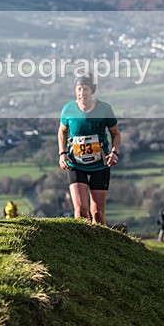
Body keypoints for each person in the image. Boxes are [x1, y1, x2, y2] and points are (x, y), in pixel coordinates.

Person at [58, 74, 120, 225]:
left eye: (85, 89)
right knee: (80, 210)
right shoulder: (68, 109)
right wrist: (62, 153)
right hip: (76, 164)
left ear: (92, 91)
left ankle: (101, 246)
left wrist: (114, 152)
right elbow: (62, 131)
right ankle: (82, 247)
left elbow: (115, 133)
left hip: (100, 164)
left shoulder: (105, 109)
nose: (81, 93)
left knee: (97, 213)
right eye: (79, 89)